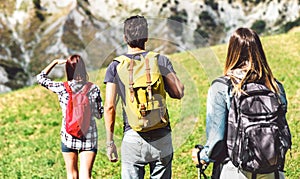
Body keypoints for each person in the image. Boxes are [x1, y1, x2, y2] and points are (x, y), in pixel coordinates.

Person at [192, 27, 289, 178]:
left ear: (232, 52)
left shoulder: (221, 87)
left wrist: (202, 156)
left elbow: (216, 138)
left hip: (235, 169)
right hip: (272, 168)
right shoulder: (274, 86)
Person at [104, 15, 184, 179]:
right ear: (146, 37)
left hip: (133, 136)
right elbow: (178, 93)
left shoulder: (115, 66)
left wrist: (110, 142)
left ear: (125, 38)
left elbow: (109, 107)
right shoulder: (160, 60)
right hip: (161, 135)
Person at [36, 55, 103, 179]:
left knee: (72, 175)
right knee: (85, 175)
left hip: (69, 136)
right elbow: (99, 115)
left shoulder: (62, 88)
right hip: (89, 137)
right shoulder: (93, 89)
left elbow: (40, 78)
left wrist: (55, 62)